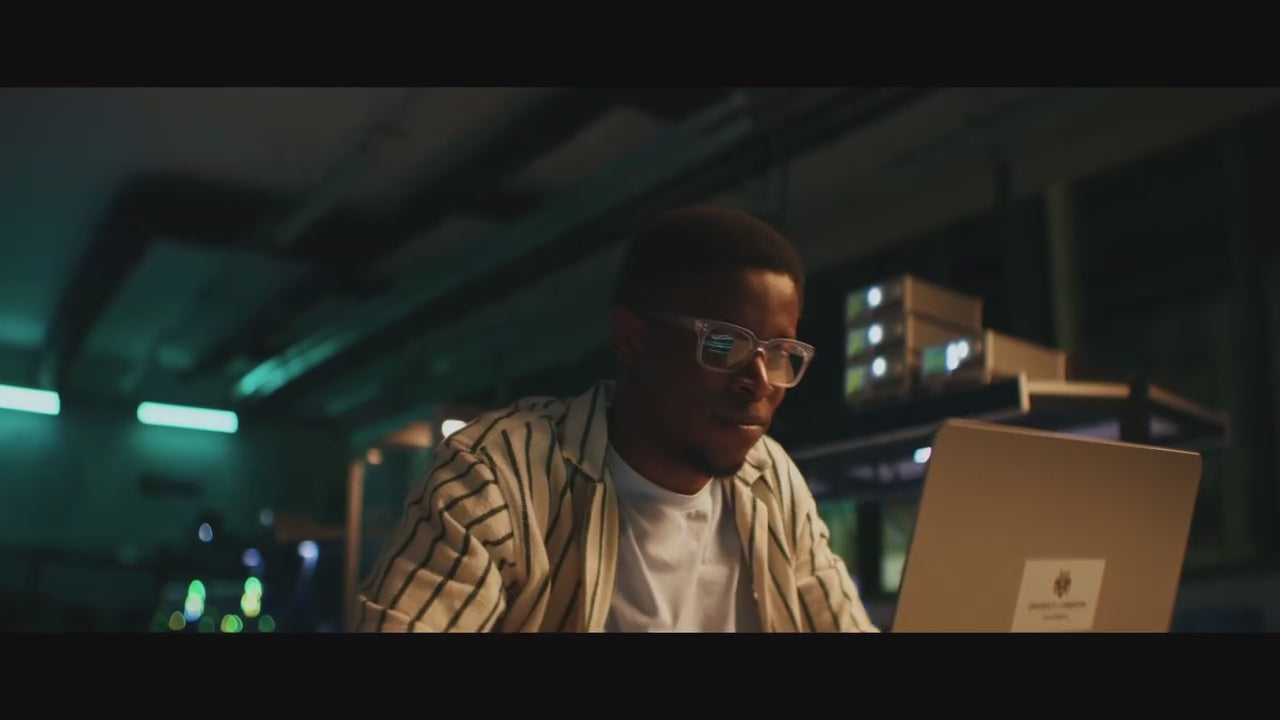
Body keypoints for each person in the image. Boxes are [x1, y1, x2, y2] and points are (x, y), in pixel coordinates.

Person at [351, 205, 878, 633]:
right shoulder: (501, 475)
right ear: (632, 338)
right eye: (724, 344)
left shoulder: (771, 480)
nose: (760, 381)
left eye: (781, 352)